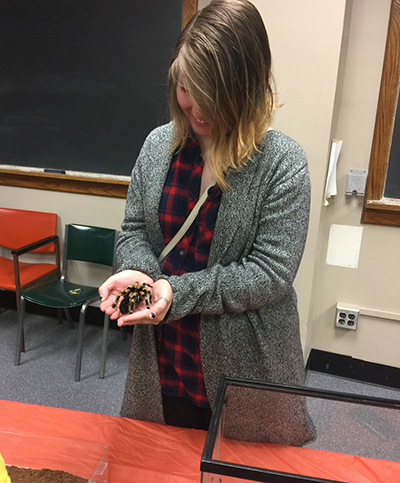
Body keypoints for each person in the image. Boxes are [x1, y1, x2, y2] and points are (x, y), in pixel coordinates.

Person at [99, 0, 315, 441]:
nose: (196, 108)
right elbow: (136, 231)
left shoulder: (283, 163)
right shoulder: (159, 146)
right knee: (160, 461)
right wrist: (138, 274)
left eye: (214, 96)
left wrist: (175, 292)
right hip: (164, 361)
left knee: (244, 468)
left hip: (246, 370)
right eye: (186, 88)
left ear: (249, 89)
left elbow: (269, 274)